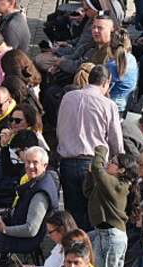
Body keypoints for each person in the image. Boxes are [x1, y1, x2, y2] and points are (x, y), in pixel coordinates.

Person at [55, 65, 123, 230]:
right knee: (94, 215)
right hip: (94, 165)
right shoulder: (108, 105)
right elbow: (116, 141)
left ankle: (74, 249)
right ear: (106, 83)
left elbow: (59, 128)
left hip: (67, 163)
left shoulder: (68, 97)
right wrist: (120, 163)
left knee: (73, 217)